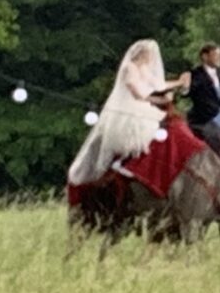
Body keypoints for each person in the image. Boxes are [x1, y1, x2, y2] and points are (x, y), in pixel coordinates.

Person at [66, 39, 194, 201]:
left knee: (166, 126)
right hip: (129, 108)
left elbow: (158, 85)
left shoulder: (144, 69)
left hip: (143, 105)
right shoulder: (130, 68)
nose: (152, 58)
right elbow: (138, 94)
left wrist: (178, 83)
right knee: (145, 131)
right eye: (149, 54)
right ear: (142, 54)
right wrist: (161, 98)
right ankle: (124, 163)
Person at [187, 44, 220, 136]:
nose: (219, 58)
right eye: (216, 55)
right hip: (204, 123)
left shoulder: (219, 75)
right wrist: (185, 88)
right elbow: (188, 91)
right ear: (205, 57)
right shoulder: (196, 75)